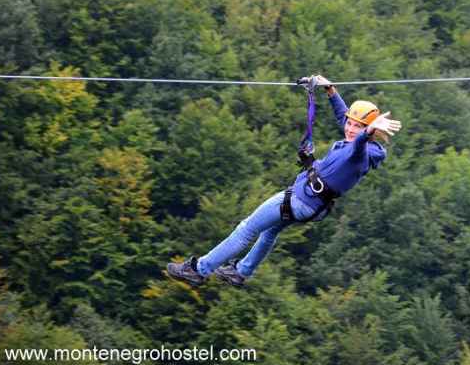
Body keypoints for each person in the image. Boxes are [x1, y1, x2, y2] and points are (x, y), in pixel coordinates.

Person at [166, 75, 401, 287]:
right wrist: (331, 91)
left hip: (301, 199)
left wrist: (368, 131)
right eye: (350, 123)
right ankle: (241, 271)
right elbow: (345, 120)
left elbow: (358, 144)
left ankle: (199, 270)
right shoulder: (354, 139)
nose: (349, 128)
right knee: (269, 232)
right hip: (313, 205)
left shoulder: (361, 153)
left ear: (369, 131)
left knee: (246, 228)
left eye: (357, 126)